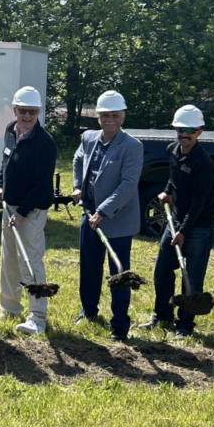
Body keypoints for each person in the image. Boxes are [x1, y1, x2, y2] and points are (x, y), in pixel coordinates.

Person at [141, 105, 214, 337]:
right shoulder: (172, 150)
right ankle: (161, 314)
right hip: (175, 222)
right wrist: (167, 191)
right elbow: (174, 178)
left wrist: (183, 231)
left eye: (189, 130)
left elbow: (199, 202)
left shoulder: (203, 163)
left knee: (191, 277)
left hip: (199, 226)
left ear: (199, 132)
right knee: (163, 269)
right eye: (179, 129)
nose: (183, 134)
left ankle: (184, 325)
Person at [71, 90, 142, 341]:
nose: (110, 119)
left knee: (119, 272)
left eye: (115, 115)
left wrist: (104, 211)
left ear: (122, 116)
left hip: (117, 220)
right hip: (89, 214)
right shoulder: (89, 138)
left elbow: (127, 185)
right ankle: (87, 311)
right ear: (98, 117)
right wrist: (78, 186)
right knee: (89, 268)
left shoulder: (132, 146)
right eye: (105, 115)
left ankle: (119, 323)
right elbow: (78, 159)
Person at [0, 86, 57, 334]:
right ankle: (9, 308)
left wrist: (22, 213)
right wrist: (0, 185)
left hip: (31, 211)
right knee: (8, 259)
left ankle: (37, 317)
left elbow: (43, 186)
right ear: (15, 110)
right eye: (23, 111)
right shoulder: (11, 130)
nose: (27, 116)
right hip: (9, 207)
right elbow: (6, 161)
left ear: (38, 112)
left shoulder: (45, 143)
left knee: (30, 262)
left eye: (32, 112)